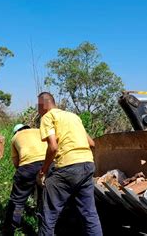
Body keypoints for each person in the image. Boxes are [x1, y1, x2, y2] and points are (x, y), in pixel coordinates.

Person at [36, 92, 102, 236]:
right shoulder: (73, 117)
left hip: (68, 166)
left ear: (44, 104)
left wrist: (44, 170)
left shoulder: (48, 117)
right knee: (90, 214)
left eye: (38, 106)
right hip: (87, 164)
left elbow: (53, 147)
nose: (38, 110)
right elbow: (92, 143)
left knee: (48, 214)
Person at [3, 123, 48, 235]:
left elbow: (16, 163)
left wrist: (26, 177)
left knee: (17, 200)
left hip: (28, 167)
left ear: (16, 131)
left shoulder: (15, 137)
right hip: (48, 165)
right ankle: (44, 230)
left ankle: (10, 230)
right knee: (46, 201)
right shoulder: (39, 131)